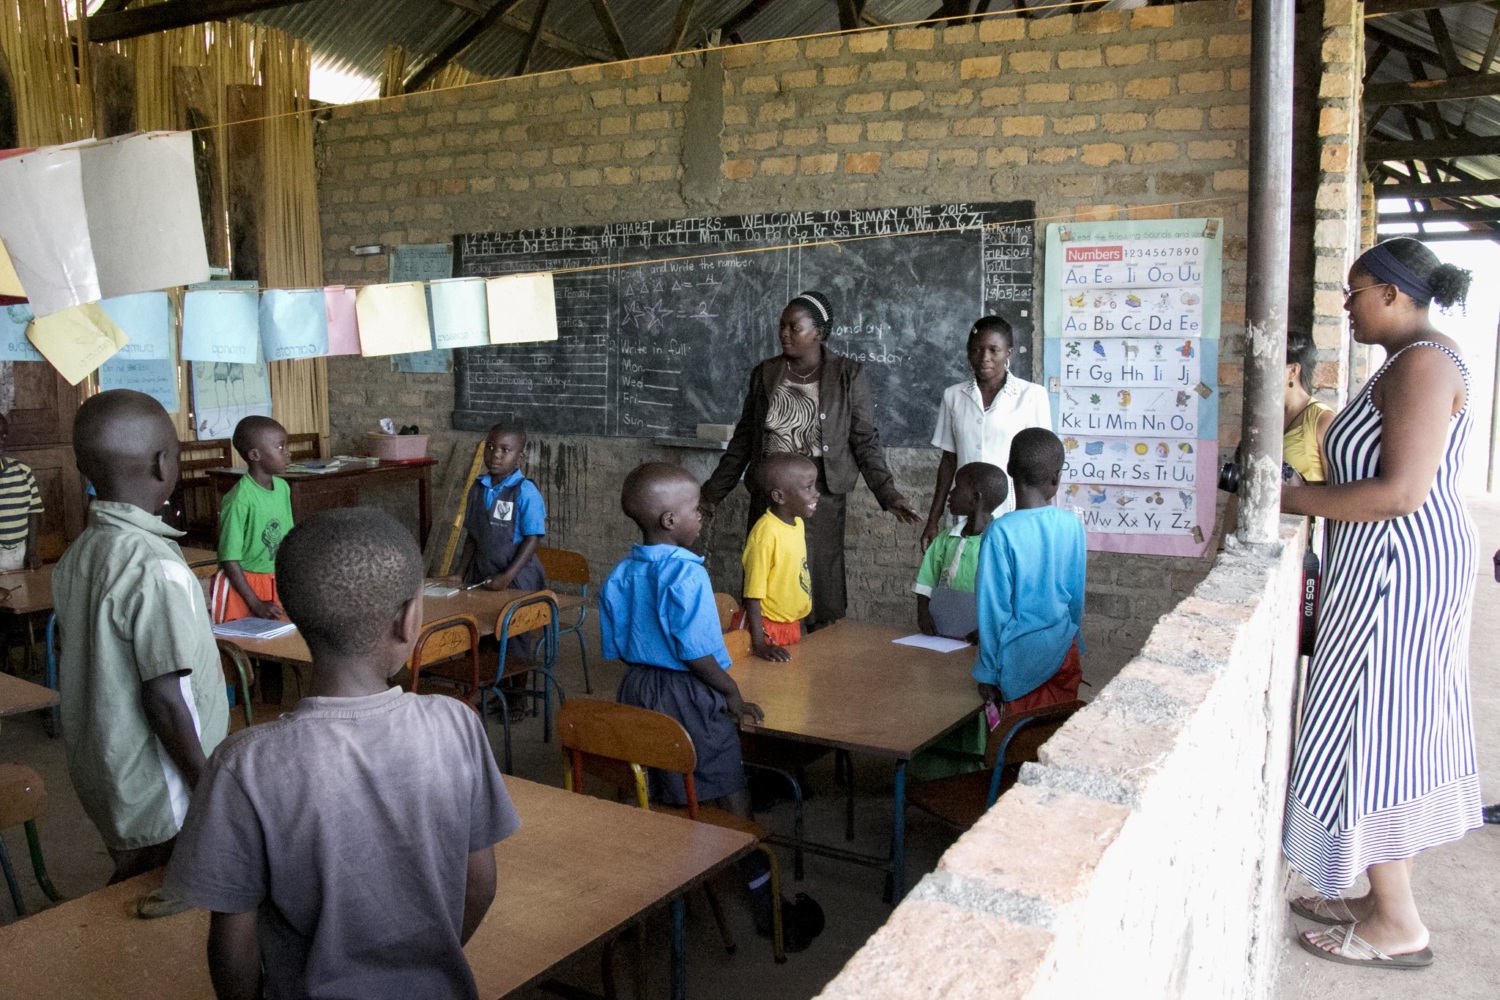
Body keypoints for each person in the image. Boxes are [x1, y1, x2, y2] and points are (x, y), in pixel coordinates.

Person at [164, 508, 520, 1000]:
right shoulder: (455, 723)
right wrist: (414, 970)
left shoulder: (244, 764)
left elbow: (233, 944)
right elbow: (480, 885)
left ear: (292, 612)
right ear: (408, 619)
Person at [1280, 238, 1479, 970]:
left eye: (1356, 290)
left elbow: (1401, 493)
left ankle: (1398, 923)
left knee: (1375, 729)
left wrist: (1288, 497)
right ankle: (1375, 893)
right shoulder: (1406, 360)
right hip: (1382, 570)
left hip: (1402, 575)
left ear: (1394, 293)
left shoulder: (1425, 363)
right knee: (1378, 726)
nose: (1347, 305)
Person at [53, 390, 229, 885]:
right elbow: (164, 699)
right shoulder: (154, 567)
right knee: (166, 883)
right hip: (164, 782)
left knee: (137, 875)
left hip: (109, 767)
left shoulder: (81, 554)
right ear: (162, 463)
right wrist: (209, 788)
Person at [601, 463, 786, 929]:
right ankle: (757, 888)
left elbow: (619, 647)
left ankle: (653, 884)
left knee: (655, 775)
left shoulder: (621, 572)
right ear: (668, 520)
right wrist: (733, 693)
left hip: (638, 687)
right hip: (690, 691)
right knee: (727, 780)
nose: (703, 513)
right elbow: (698, 653)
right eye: (695, 508)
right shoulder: (688, 574)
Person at [701, 291, 921, 629]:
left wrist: (888, 493)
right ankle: (767, 637)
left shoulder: (848, 374)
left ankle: (817, 643)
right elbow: (743, 442)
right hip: (771, 493)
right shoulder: (766, 374)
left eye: (795, 327)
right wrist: (712, 494)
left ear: (818, 332)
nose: (784, 333)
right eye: (782, 326)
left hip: (818, 492)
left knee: (818, 573)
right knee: (768, 568)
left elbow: (864, 441)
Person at [972, 429, 1085, 717]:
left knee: (1019, 748)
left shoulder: (1000, 533)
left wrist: (987, 671)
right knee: (1053, 741)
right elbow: (1075, 598)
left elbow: (993, 611)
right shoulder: (1071, 525)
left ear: (1009, 469)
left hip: (1021, 660)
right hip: (1064, 654)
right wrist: (1072, 637)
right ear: (1056, 478)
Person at [922, 316, 1052, 551]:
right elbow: (948, 462)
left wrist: (1043, 521)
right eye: (976, 350)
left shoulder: (1031, 396)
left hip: (1013, 512)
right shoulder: (953, 396)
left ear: (1008, 353)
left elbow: (1043, 465)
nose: (985, 358)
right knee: (962, 578)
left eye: (994, 350)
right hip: (964, 513)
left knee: (1003, 580)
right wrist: (933, 520)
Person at [731, 453, 817, 661]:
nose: (817, 493)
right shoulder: (766, 534)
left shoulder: (797, 524)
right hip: (764, 628)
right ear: (779, 497)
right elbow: (752, 595)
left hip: (790, 625)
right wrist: (760, 644)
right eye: (808, 487)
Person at [210, 416, 293, 624]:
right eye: (280, 447)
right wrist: (255, 602)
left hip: (276, 580)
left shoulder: (282, 488)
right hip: (244, 585)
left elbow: (288, 540)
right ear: (255, 455)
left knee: (278, 641)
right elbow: (229, 558)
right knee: (245, 645)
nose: (288, 453)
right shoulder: (239, 499)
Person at [915, 461, 1008, 640]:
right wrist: (923, 614)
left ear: (975, 499)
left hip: (984, 637)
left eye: (956, 487)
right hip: (943, 629)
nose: (950, 493)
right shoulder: (945, 539)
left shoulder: (998, 544)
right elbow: (926, 580)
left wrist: (988, 629)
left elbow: (1004, 595)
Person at [457, 423, 546, 594]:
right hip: (481, 576)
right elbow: (472, 536)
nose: (495, 455)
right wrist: (459, 574)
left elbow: (532, 539)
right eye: (490, 447)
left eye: (505, 450)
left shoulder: (525, 491)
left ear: (520, 457)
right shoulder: (477, 487)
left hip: (517, 579)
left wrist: (506, 577)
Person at [1283, 329, 1336, 483]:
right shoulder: (1264, 416)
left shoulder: (1323, 420)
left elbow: (1336, 493)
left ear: (1292, 371)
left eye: (1268, 364)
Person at [0, 411, 44, 572]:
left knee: (18, 595)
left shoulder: (22, 472)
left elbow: (34, 512)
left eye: (4, 435)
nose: (1, 441)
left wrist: (31, 552)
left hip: (17, 553)